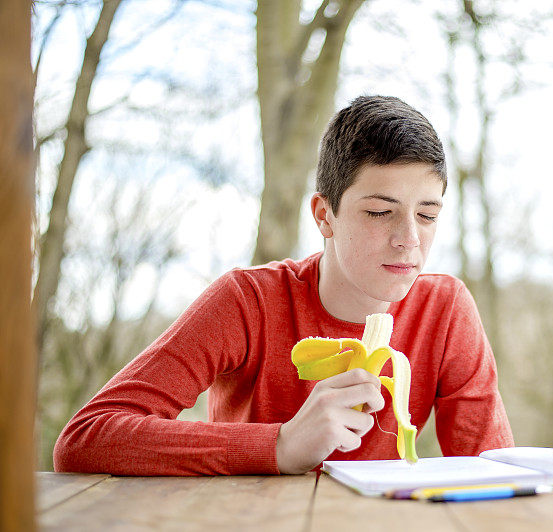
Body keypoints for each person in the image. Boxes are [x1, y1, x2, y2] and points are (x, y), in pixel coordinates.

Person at [53, 95, 514, 476]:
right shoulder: (247, 302)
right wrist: (279, 445)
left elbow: (492, 473)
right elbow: (86, 437)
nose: (409, 240)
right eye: (379, 212)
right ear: (323, 215)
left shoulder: (447, 310)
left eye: (428, 214)